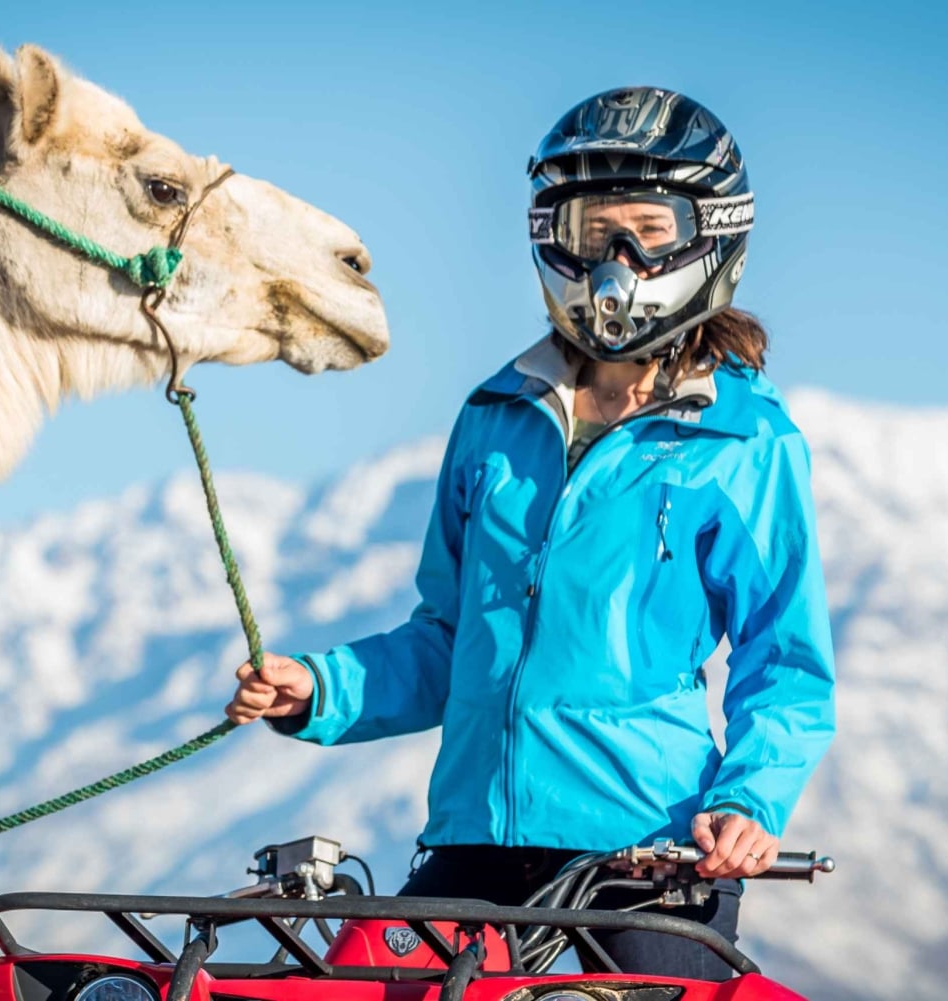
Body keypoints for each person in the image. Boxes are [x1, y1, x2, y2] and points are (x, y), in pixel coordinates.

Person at [225, 86, 836, 982]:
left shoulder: (747, 442)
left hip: (647, 857)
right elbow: (448, 641)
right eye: (593, 232)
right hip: (474, 841)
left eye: (649, 231)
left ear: (710, 237)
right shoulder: (495, 417)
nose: (618, 261)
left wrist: (751, 798)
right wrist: (318, 689)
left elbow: (785, 664)